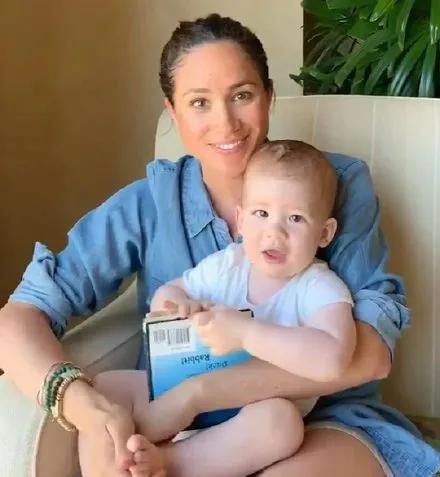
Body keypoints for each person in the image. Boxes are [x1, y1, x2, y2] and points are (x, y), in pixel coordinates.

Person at [0, 12, 438, 477]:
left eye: (242, 96)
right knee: (111, 437)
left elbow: (369, 356)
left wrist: (198, 394)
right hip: (171, 420)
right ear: (173, 112)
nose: (225, 123)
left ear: (268, 96)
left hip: (320, 417)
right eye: (199, 102)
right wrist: (79, 402)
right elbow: (20, 316)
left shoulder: (336, 184)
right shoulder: (150, 204)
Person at [116, 139, 356, 477]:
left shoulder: (318, 286)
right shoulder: (229, 264)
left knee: (281, 423)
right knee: (109, 387)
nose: (275, 232)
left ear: (324, 233)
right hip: (188, 396)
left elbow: (333, 358)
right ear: (241, 220)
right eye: (262, 214)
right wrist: (177, 306)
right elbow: (169, 292)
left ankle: (170, 462)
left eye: (296, 218)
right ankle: (130, 455)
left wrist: (245, 334)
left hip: (251, 418)